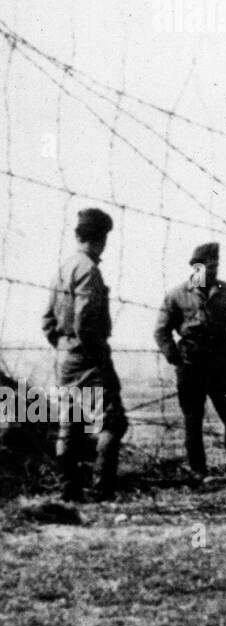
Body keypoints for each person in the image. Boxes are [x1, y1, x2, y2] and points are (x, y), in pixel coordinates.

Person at [40, 207, 128, 501]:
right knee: (113, 422)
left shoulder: (63, 268)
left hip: (65, 357)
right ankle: (103, 490)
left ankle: (70, 488)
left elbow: (47, 322)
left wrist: (65, 348)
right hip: (87, 357)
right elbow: (86, 323)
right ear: (101, 238)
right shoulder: (88, 270)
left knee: (71, 422)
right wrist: (99, 359)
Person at [154, 242, 226, 478]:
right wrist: (176, 359)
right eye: (209, 266)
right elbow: (161, 331)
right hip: (192, 367)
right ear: (196, 267)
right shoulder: (177, 295)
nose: (214, 271)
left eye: (216, 266)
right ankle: (198, 472)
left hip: (224, 367)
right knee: (193, 421)